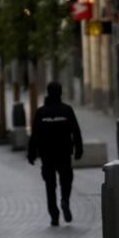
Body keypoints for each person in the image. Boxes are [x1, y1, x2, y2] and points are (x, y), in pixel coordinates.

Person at [27, 81, 83, 226]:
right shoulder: (67, 110)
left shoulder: (41, 112)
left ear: (48, 93)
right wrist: (79, 149)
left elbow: (34, 135)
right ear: (60, 93)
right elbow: (76, 131)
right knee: (66, 180)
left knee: (50, 186)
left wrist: (31, 153)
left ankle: (54, 215)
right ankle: (65, 200)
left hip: (47, 155)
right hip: (64, 153)